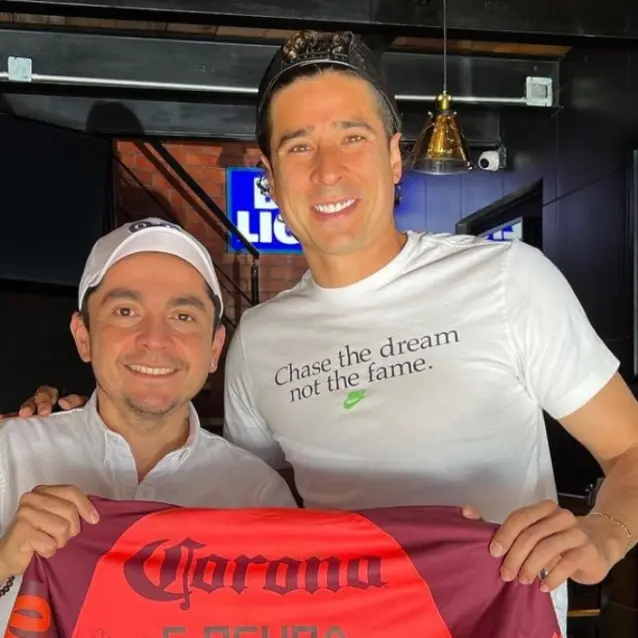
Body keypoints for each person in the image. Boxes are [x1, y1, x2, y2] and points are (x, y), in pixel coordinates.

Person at [8, 31, 638, 634]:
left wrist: (606, 531)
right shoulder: (259, 339)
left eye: (352, 137)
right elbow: (250, 513)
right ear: (271, 178)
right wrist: (82, 423)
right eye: (299, 146)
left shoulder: (507, 279)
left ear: (394, 155)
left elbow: (630, 448)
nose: (328, 170)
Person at [0, 218, 296, 631]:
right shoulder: (7, 455)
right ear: (83, 336)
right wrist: (4, 561)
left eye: (183, 316)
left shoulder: (259, 495)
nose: (155, 339)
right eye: (126, 311)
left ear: (215, 349)